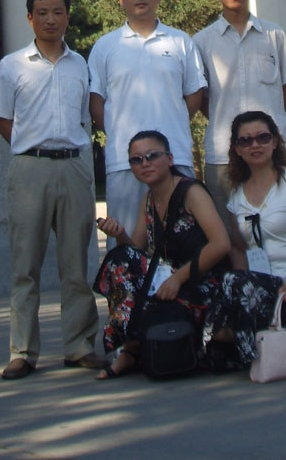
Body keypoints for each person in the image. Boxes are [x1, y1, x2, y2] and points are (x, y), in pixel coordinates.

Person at [0, 0, 106, 379]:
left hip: (74, 167)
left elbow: (84, 117)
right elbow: (3, 121)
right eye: (42, 13)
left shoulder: (80, 65)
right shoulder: (12, 65)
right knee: (26, 265)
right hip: (30, 169)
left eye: (58, 12)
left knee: (76, 264)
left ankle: (79, 345)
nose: (50, 20)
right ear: (30, 18)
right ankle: (22, 351)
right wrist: (32, 148)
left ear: (67, 17)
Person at [93, 130, 231, 378]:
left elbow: (221, 244)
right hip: (168, 282)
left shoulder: (191, 192)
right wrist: (119, 234)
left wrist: (178, 279)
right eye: (137, 160)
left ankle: (132, 348)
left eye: (152, 156)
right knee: (118, 258)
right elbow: (134, 253)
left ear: (169, 159)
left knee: (124, 264)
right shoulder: (148, 199)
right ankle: (130, 346)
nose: (145, 163)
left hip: (200, 281)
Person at [88, 0, 206, 241]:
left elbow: (194, 95)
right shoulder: (106, 46)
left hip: (174, 156)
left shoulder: (181, 41)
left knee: (181, 241)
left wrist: (172, 121)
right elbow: (96, 101)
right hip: (124, 161)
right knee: (127, 241)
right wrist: (119, 132)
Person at [210, 110, 286, 368]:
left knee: (229, 294)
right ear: (237, 149)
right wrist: (244, 285)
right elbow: (238, 248)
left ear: (275, 142)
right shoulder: (237, 194)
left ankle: (246, 353)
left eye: (263, 138)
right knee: (225, 289)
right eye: (246, 141)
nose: (255, 145)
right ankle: (243, 340)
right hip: (259, 288)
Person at [192, 0, 286, 222]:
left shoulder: (275, 35)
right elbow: (202, 98)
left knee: (278, 224)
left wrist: (267, 128)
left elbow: (285, 88)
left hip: (271, 151)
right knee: (228, 230)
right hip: (223, 153)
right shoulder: (202, 42)